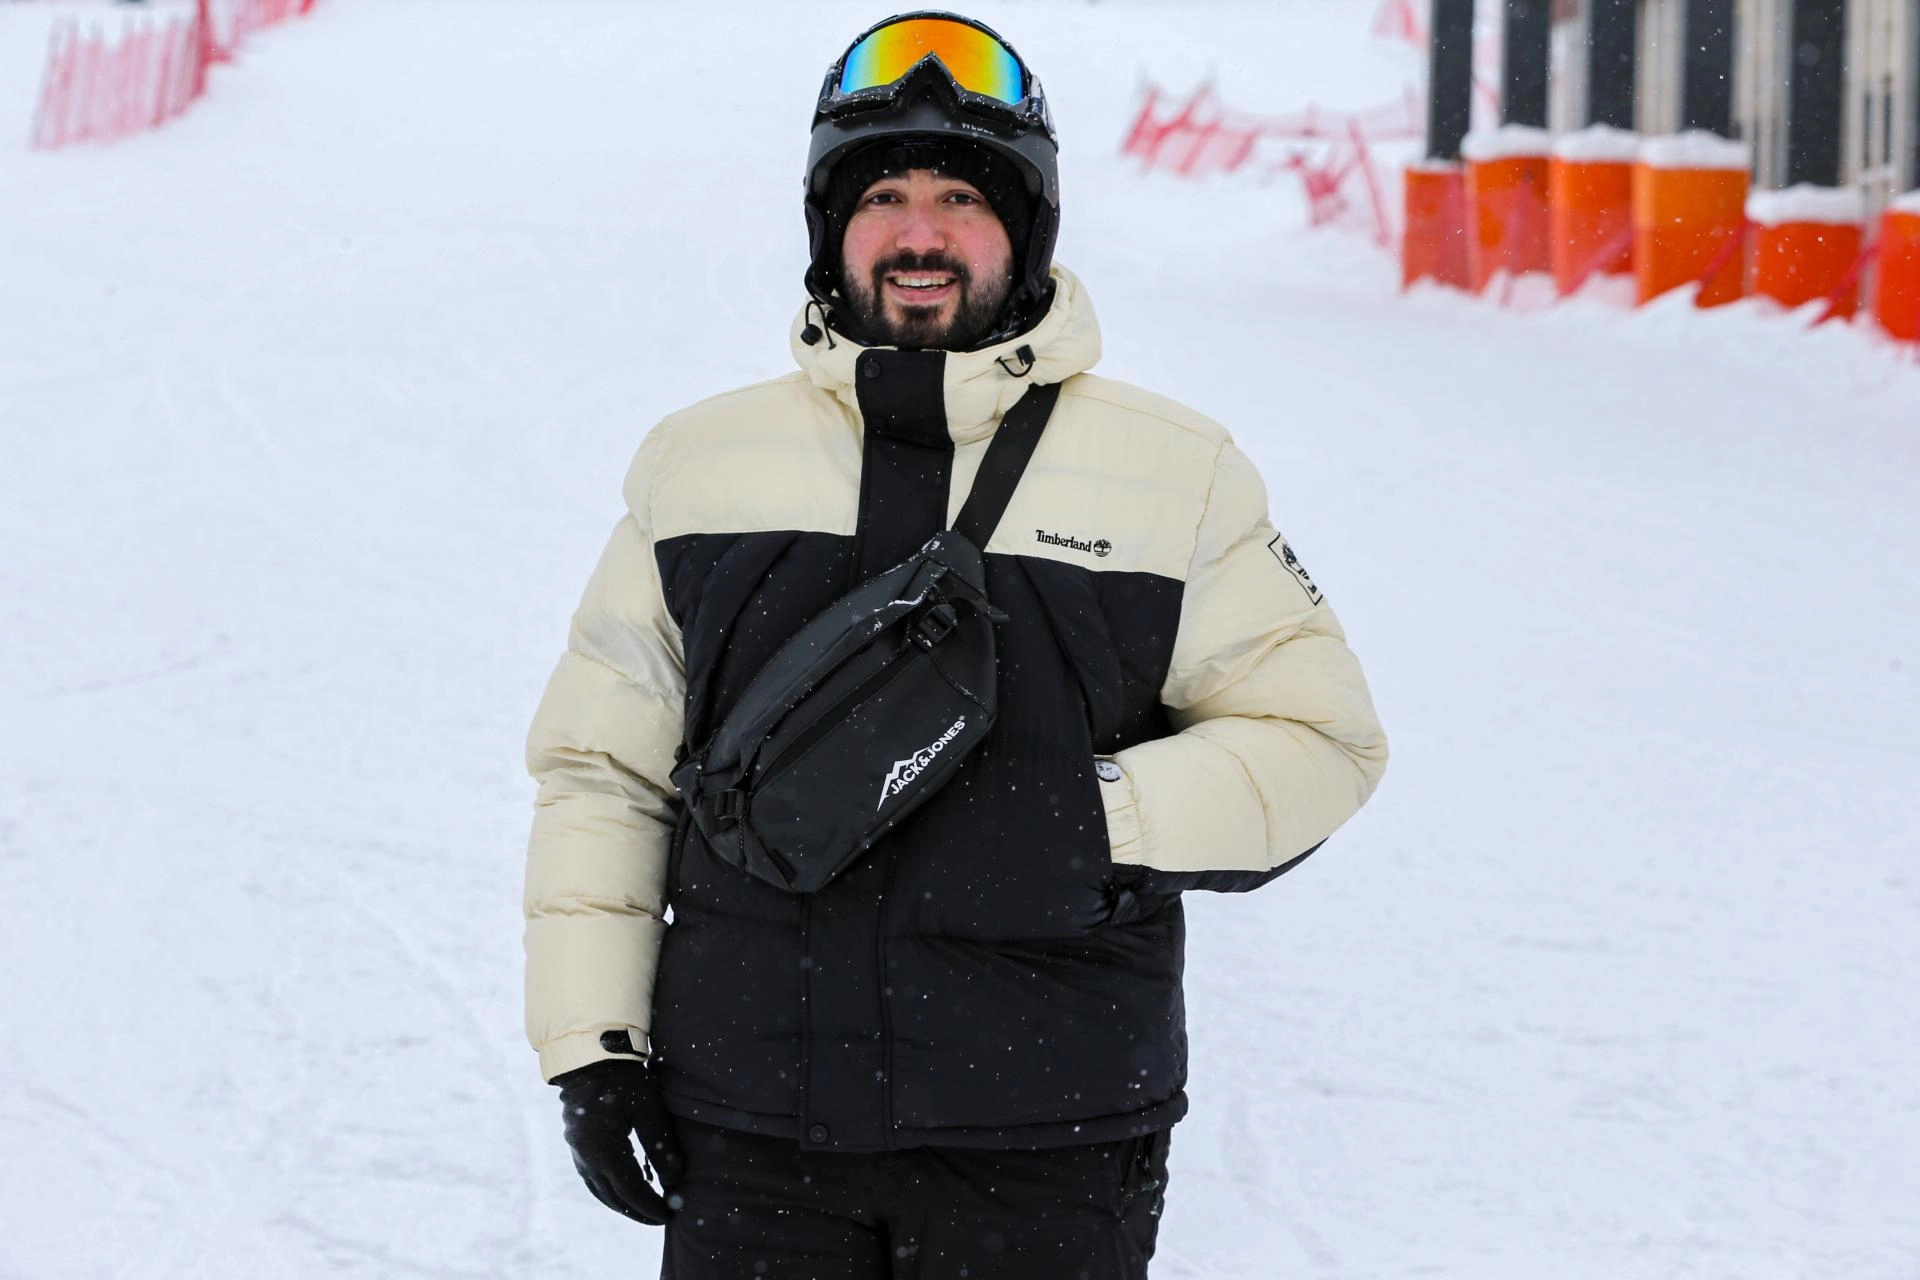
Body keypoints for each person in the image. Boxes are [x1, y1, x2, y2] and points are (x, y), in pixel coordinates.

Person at [523, 12, 1388, 1277]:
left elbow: (1320, 740)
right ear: (830, 227)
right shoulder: (699, 466)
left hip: (1046, 1138)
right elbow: (602, 772)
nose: (919, 233)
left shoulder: (1175, 472)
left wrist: (1088, 817)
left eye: (961, 198)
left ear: (1026, 226)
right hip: (753, 1133)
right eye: (882, 195)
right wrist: (593, 1045)